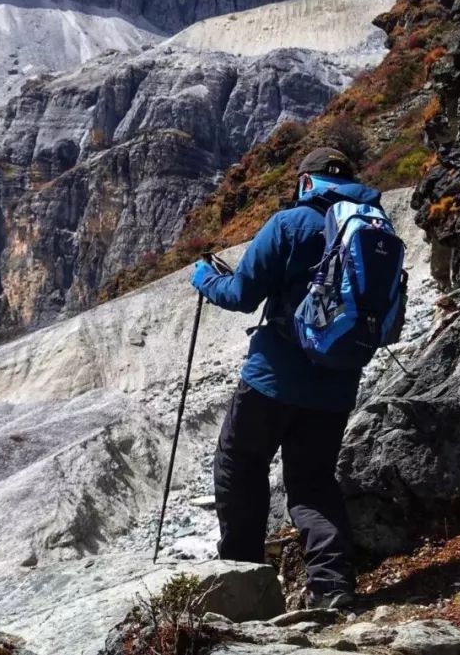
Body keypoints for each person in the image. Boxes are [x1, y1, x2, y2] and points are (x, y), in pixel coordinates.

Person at [189, 147, 382, 610]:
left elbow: (239, 294)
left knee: (240, 466)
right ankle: (333, 587)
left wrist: (203, 279)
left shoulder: (290, 224)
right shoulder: (373, 227)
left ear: (305, 182)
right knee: (313, 481)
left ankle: (245, 577)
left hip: (273, 378)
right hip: (337, 383)